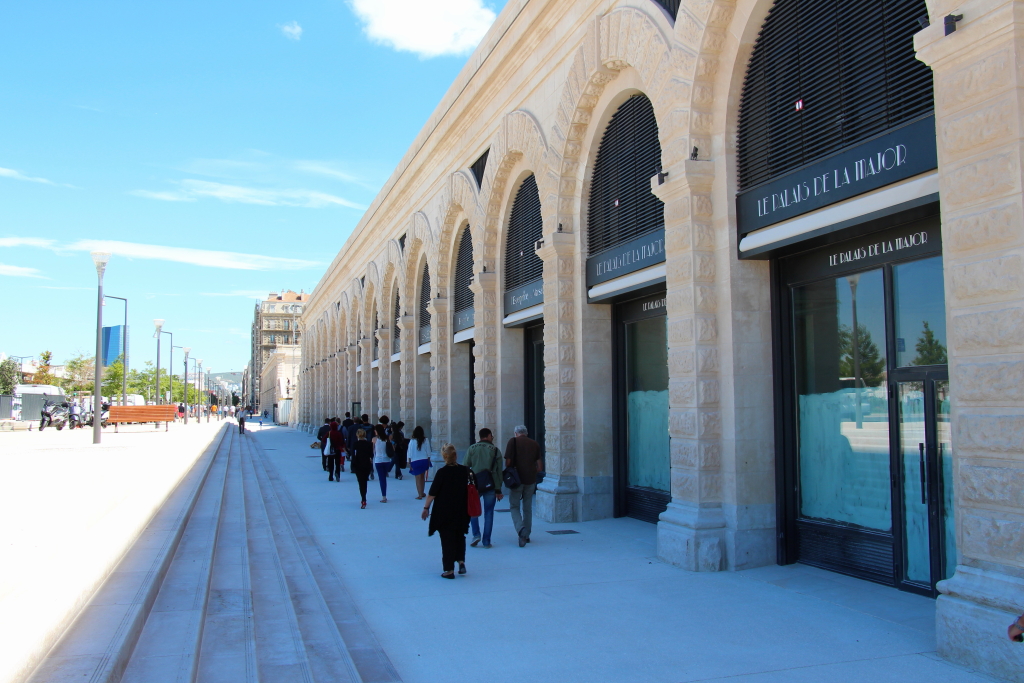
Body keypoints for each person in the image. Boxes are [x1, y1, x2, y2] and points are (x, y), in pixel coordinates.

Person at [420, 444, 470, 579]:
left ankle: (449, 569)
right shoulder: (465, 471)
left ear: (444, 457)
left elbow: (432, 493)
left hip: (445, 511)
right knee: (460, 535)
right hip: (461, 509)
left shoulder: (442, 472)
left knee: (447, 539)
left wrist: (426, 508)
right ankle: (461, 561)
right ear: (456, 455)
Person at [464, 428, 504, 548]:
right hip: (490, 484)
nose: (493, 437)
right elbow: (498, 473)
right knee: (489, 512)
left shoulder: (471, 448)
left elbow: (465, 466)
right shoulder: (496, 451)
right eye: (492, 435)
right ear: (488, 436)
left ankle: (476, 534)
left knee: (473, 510)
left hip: (475, 485)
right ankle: (486, 541)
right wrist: (498, 489)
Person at [505, 425, 543, 547]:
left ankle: (521, 529)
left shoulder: (513, 441)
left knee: (514, 506)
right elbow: (540, 467)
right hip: (530, 480)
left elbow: (508, 462)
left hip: (517, 480)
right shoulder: (534, 444)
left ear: (516, 433)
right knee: (528, 508)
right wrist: (531, 471)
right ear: (526, 433)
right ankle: (526, 535)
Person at [350, 428, 374, 508]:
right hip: (366, 464)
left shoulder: (355, 444)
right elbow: (371, 455)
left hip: (358, 465)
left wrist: (352, 465)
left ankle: (363, 499)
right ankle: (364, 498)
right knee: (365, 482)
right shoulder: (369, 444)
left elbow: (353, 456)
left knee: (361, 482)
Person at [407, 426, 432, 499]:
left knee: (417, 478)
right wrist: (428, 460)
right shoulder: (426, 440)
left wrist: (409, 462)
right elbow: (428, 451)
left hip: (415, 461)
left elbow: (409, 453)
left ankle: (419, 494)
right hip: (424, 460)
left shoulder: (412, 441)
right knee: (422, 477)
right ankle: (422, 492)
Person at [372, 425, 394, 502]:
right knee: (384, 477)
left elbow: (373, 450)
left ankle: (384, 496)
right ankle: (384, 495)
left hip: (378, 460)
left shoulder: (374, 439)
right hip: (386, 460)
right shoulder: (387, 439)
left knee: (381, 479)